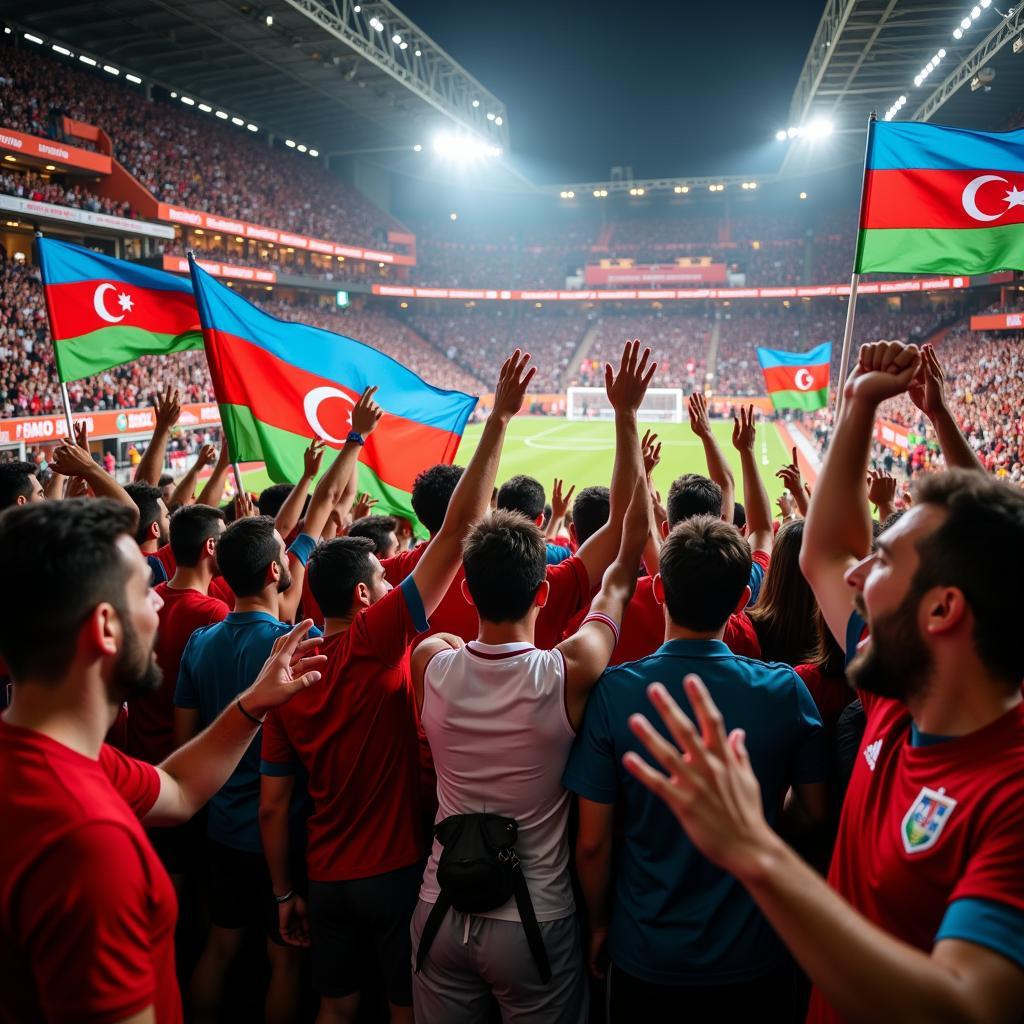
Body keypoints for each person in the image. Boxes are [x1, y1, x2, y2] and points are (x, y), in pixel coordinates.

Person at [625, 342, 1024, 1024]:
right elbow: (822, 552)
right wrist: (860, 402)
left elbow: (969, 1005)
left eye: (881, 560)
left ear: (941, 611)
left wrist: (755, 849)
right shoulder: (904, 693)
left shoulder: (1009, 793)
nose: (854, 575)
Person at [259, 351, 536, 1024]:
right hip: (391, 870)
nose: (392, 588)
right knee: (400, 1009)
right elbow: (456, 534)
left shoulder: (284, 676)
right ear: (363, 596)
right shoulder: (373, 639)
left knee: (334, 1008)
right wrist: (496, 418)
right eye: (382, 584)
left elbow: (272, 805)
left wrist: (282, 893)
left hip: (322, 876)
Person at [0, 498, 325, 1024]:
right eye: (142, 591)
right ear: (106, 628)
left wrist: (252, 705)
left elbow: (176, 790)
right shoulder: (88, 843)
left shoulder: (62, 758)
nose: (159, 601)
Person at [409, 340, 655, 1024]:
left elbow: (456, 527)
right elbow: (622, 560)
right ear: (544, 593)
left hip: (439, 904)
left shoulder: (431, 659)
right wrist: (626, 417)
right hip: (536, 917)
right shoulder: (568, 671)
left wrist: (500, 417)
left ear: (466, 581)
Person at [564, 514, 826, 1022]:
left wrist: (598, 925)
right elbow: (815, 812)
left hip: (646, 950)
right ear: (742, 601)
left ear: (659, 590)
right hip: (757, 950)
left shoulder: (614, 692)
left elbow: (592, 842)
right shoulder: (786, 690)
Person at [172, 433, 344, 1024]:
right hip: (283, 834)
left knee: (219, 946)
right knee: (285, 962)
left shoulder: (199, 641)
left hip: (219, 825)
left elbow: (184, 738)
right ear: (277, 571)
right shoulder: (298, 649)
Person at [581, 404, 774, 664]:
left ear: (666, 529)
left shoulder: (643, 588)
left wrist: (643, 473)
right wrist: (741, 449)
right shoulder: (743, 580)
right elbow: (761, 529)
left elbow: (644, 532)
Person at [129, 504, 229, 765]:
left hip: (141, 756)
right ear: (210, 546)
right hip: (186, 765)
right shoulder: (213, 613)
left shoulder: (147, 600)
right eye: (225, 540)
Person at [126, 481, 173, 585]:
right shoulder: (166, 561)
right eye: (166, 516)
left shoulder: (121, 564)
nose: (170, 519)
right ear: (155, 529)